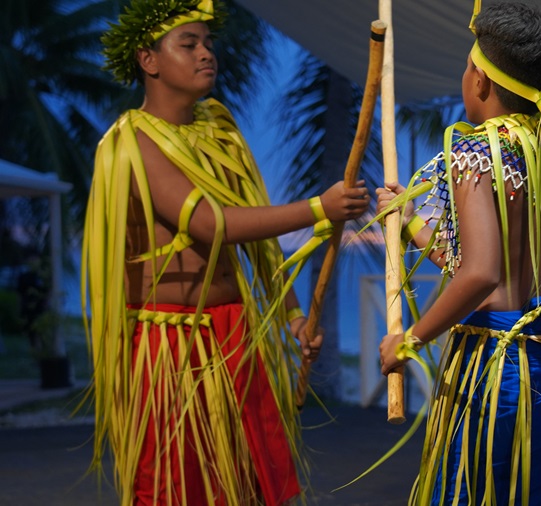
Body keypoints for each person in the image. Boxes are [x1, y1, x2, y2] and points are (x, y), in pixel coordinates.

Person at [82, 0, 370, 504]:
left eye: (208, 43)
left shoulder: (218, 130)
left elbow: (255, 238)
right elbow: (210, 224)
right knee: (174, 486)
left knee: (245, 483)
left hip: (233, 336)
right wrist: (319, 209)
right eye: (188, 44)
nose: (205, 53)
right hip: (171, 349)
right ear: (148, 60)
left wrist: (293, 316)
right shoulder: (133, 141)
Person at [375, 3, 541, 504]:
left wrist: (410, 340)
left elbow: (481, 275)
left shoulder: (474, 153)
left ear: (480, 82)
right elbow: (535, 272)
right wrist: (409, 225)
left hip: (498, 374)